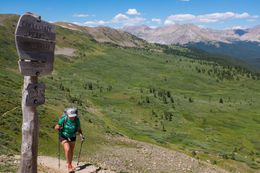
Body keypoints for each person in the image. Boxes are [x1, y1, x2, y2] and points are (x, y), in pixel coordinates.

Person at [55, 107, 84, 172]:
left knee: (71, 151)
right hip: (63, 136)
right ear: (67, 115)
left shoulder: (77, 120)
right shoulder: (63, 119)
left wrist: (81, 135)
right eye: (71, 116)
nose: (72, 117)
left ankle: (68, 163)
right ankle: (69, 166)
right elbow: (56, 126)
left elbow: (79, 129)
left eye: (73, 116)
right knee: (67, 149)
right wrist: (58, 127)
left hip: (72, 136)